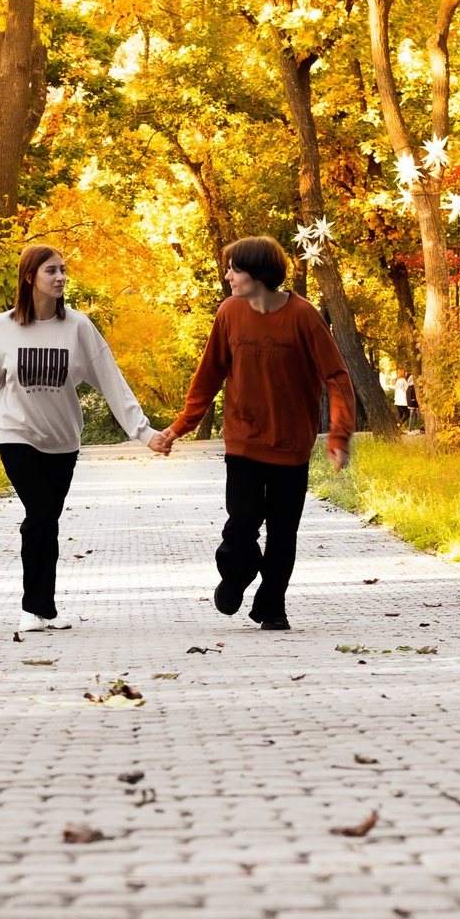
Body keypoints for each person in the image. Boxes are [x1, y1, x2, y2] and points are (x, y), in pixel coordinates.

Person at [148, 237, 354, 631]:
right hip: (242, 441)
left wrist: (337, 436)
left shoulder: (304, 316)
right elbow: (208, 374)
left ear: (258, 275)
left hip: (291, 445)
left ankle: (272, 605)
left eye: (235, 270)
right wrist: (180, 427)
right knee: (241, 522)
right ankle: (237, 574)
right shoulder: (229, 312)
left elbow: (336, 377)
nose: (227, 276)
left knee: (282, 532)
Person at [0, 245, 162, 634]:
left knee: (47, 521)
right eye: (51, 271)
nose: (60, 278)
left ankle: (44, 608)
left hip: (63, 441)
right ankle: (31, 607)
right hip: (15, 434)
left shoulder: (78, 326)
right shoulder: (5, 326)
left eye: (63, 271)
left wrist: (143, 431)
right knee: (39, 514)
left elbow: (110, 379)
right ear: (29, 277)